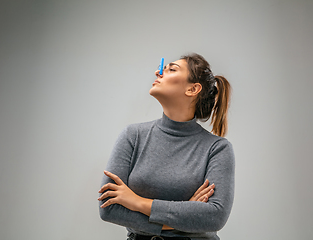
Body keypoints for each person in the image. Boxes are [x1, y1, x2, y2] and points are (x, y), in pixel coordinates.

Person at [98, 53, 235, 240]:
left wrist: (137, 202)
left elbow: (215, 216)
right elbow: (109, 208)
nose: (158, 72)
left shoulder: (217, 148)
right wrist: (184, 216)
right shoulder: (132, 136)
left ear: (193, 89)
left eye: (171, 69)